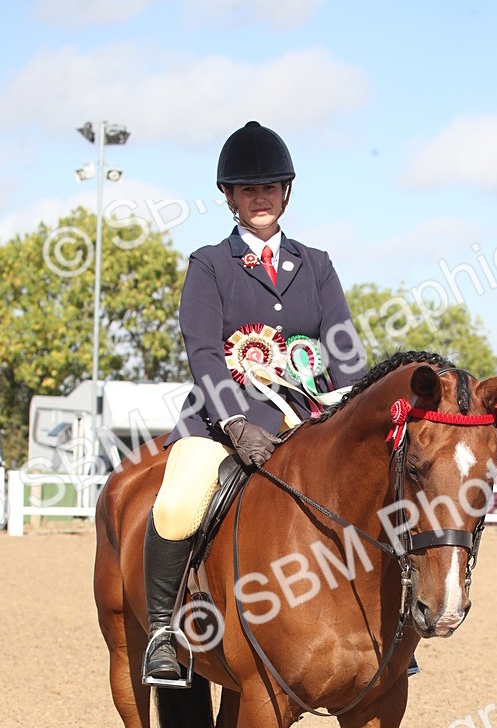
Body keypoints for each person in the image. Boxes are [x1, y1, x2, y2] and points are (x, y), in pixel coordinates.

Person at [143, 120, 366, 686]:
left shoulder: (315, 264)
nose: (260, 198)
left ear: (286, 193)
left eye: (269, 188)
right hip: (223, 420)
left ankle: (378, 628)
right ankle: (163, 635)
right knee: (176, 504)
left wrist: (359, 414)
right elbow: (202, 351)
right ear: (230, 198)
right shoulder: (209, 264)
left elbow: (342, 346)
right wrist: (235, 421)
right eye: (248, 190)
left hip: (307, 418)